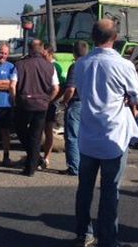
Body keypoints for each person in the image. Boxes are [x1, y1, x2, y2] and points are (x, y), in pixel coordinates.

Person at [74, 19, 138, 247]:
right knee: (110, 190)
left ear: (93, 37)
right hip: (113, 136)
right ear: (115, 38)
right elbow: (137, 96)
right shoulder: (124, 65)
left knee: (84, 189)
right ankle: (108, 240)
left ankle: (83, 234)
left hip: (87, 135)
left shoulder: (81, 64)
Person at [11, 39, 59, 177]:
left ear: (29, 48)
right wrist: (48, 100)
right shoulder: (50, 66)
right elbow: (56, 88)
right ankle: (32, 166)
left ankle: (34, 159)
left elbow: (12, 85)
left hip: (24, 104)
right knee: (36, 135)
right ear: (42, 49)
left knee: (21, 131)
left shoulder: (20, 64)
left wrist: (14, 100)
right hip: (41, 105)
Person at [61, 40, 89, 176]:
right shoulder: (92, 65)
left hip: (76, 103)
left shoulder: (76, 66)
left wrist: (64, 102)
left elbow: (71, 89)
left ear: (74, 52)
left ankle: (74, 167)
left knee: (72, 136)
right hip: (90, 104)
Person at [41, 44, 66, 169]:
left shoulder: (55, 67)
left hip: (50, 102)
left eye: (44, 54)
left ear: (50, 53)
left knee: (48, 129)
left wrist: (53, 100)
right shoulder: (42, 64)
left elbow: (61, 87)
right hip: (41, 101)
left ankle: (47, 157)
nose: (42, 56)